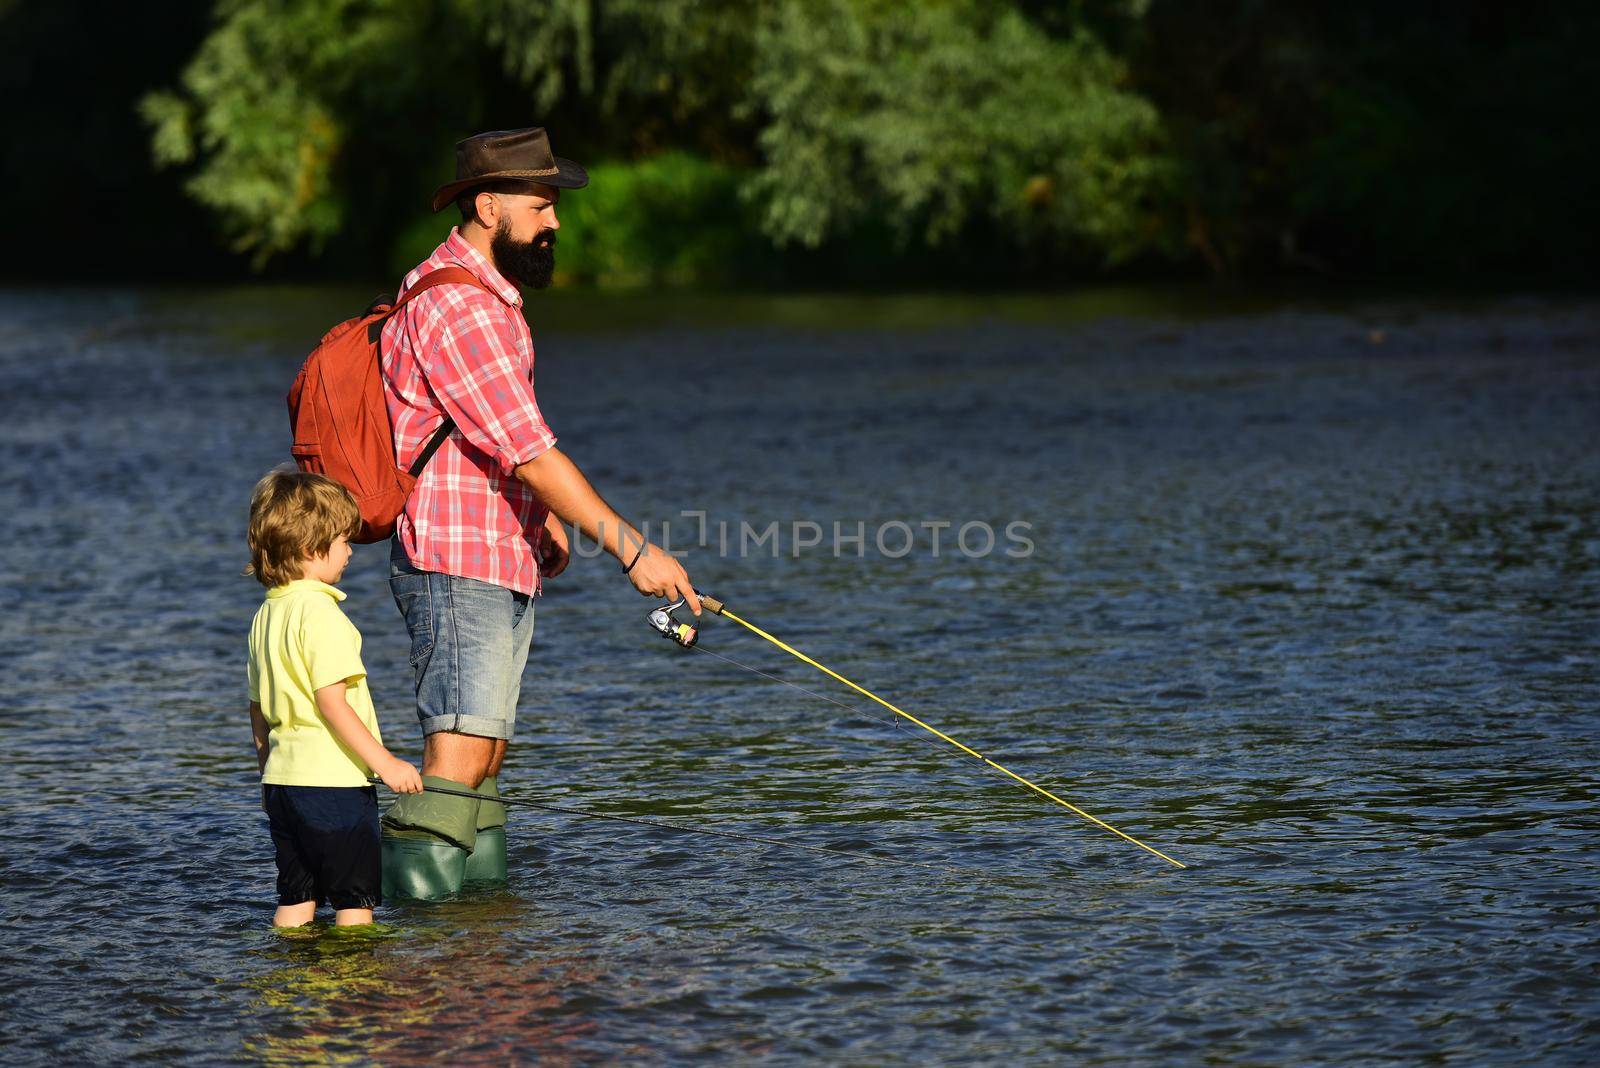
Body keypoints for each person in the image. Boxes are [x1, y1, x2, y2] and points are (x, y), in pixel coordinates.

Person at [377, 126, 699, 896]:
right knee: (457, 755)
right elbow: (528, 449)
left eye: (555, 205)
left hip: (492, 550)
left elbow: (490, 432)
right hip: (455, 559)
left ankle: (479, 951)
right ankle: (424, 957)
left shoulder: (484, 296)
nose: (554, 221)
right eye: (541, 204)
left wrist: (540, 519)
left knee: (483, 757)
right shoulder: (460, 307)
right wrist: (633, 549)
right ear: (489, 206)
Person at [245, 468, 424, 926]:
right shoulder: (323, 615)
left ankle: (287, 985)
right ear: (311, 549)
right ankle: (357, 989)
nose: (349, 552)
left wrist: (268, 772)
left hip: (284, 784)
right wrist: (387, 764)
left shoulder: (266, 616)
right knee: (354, 901)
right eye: (344, 542)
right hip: (334, 784)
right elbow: (332, 703)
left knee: (296, 896)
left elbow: (257, 709)